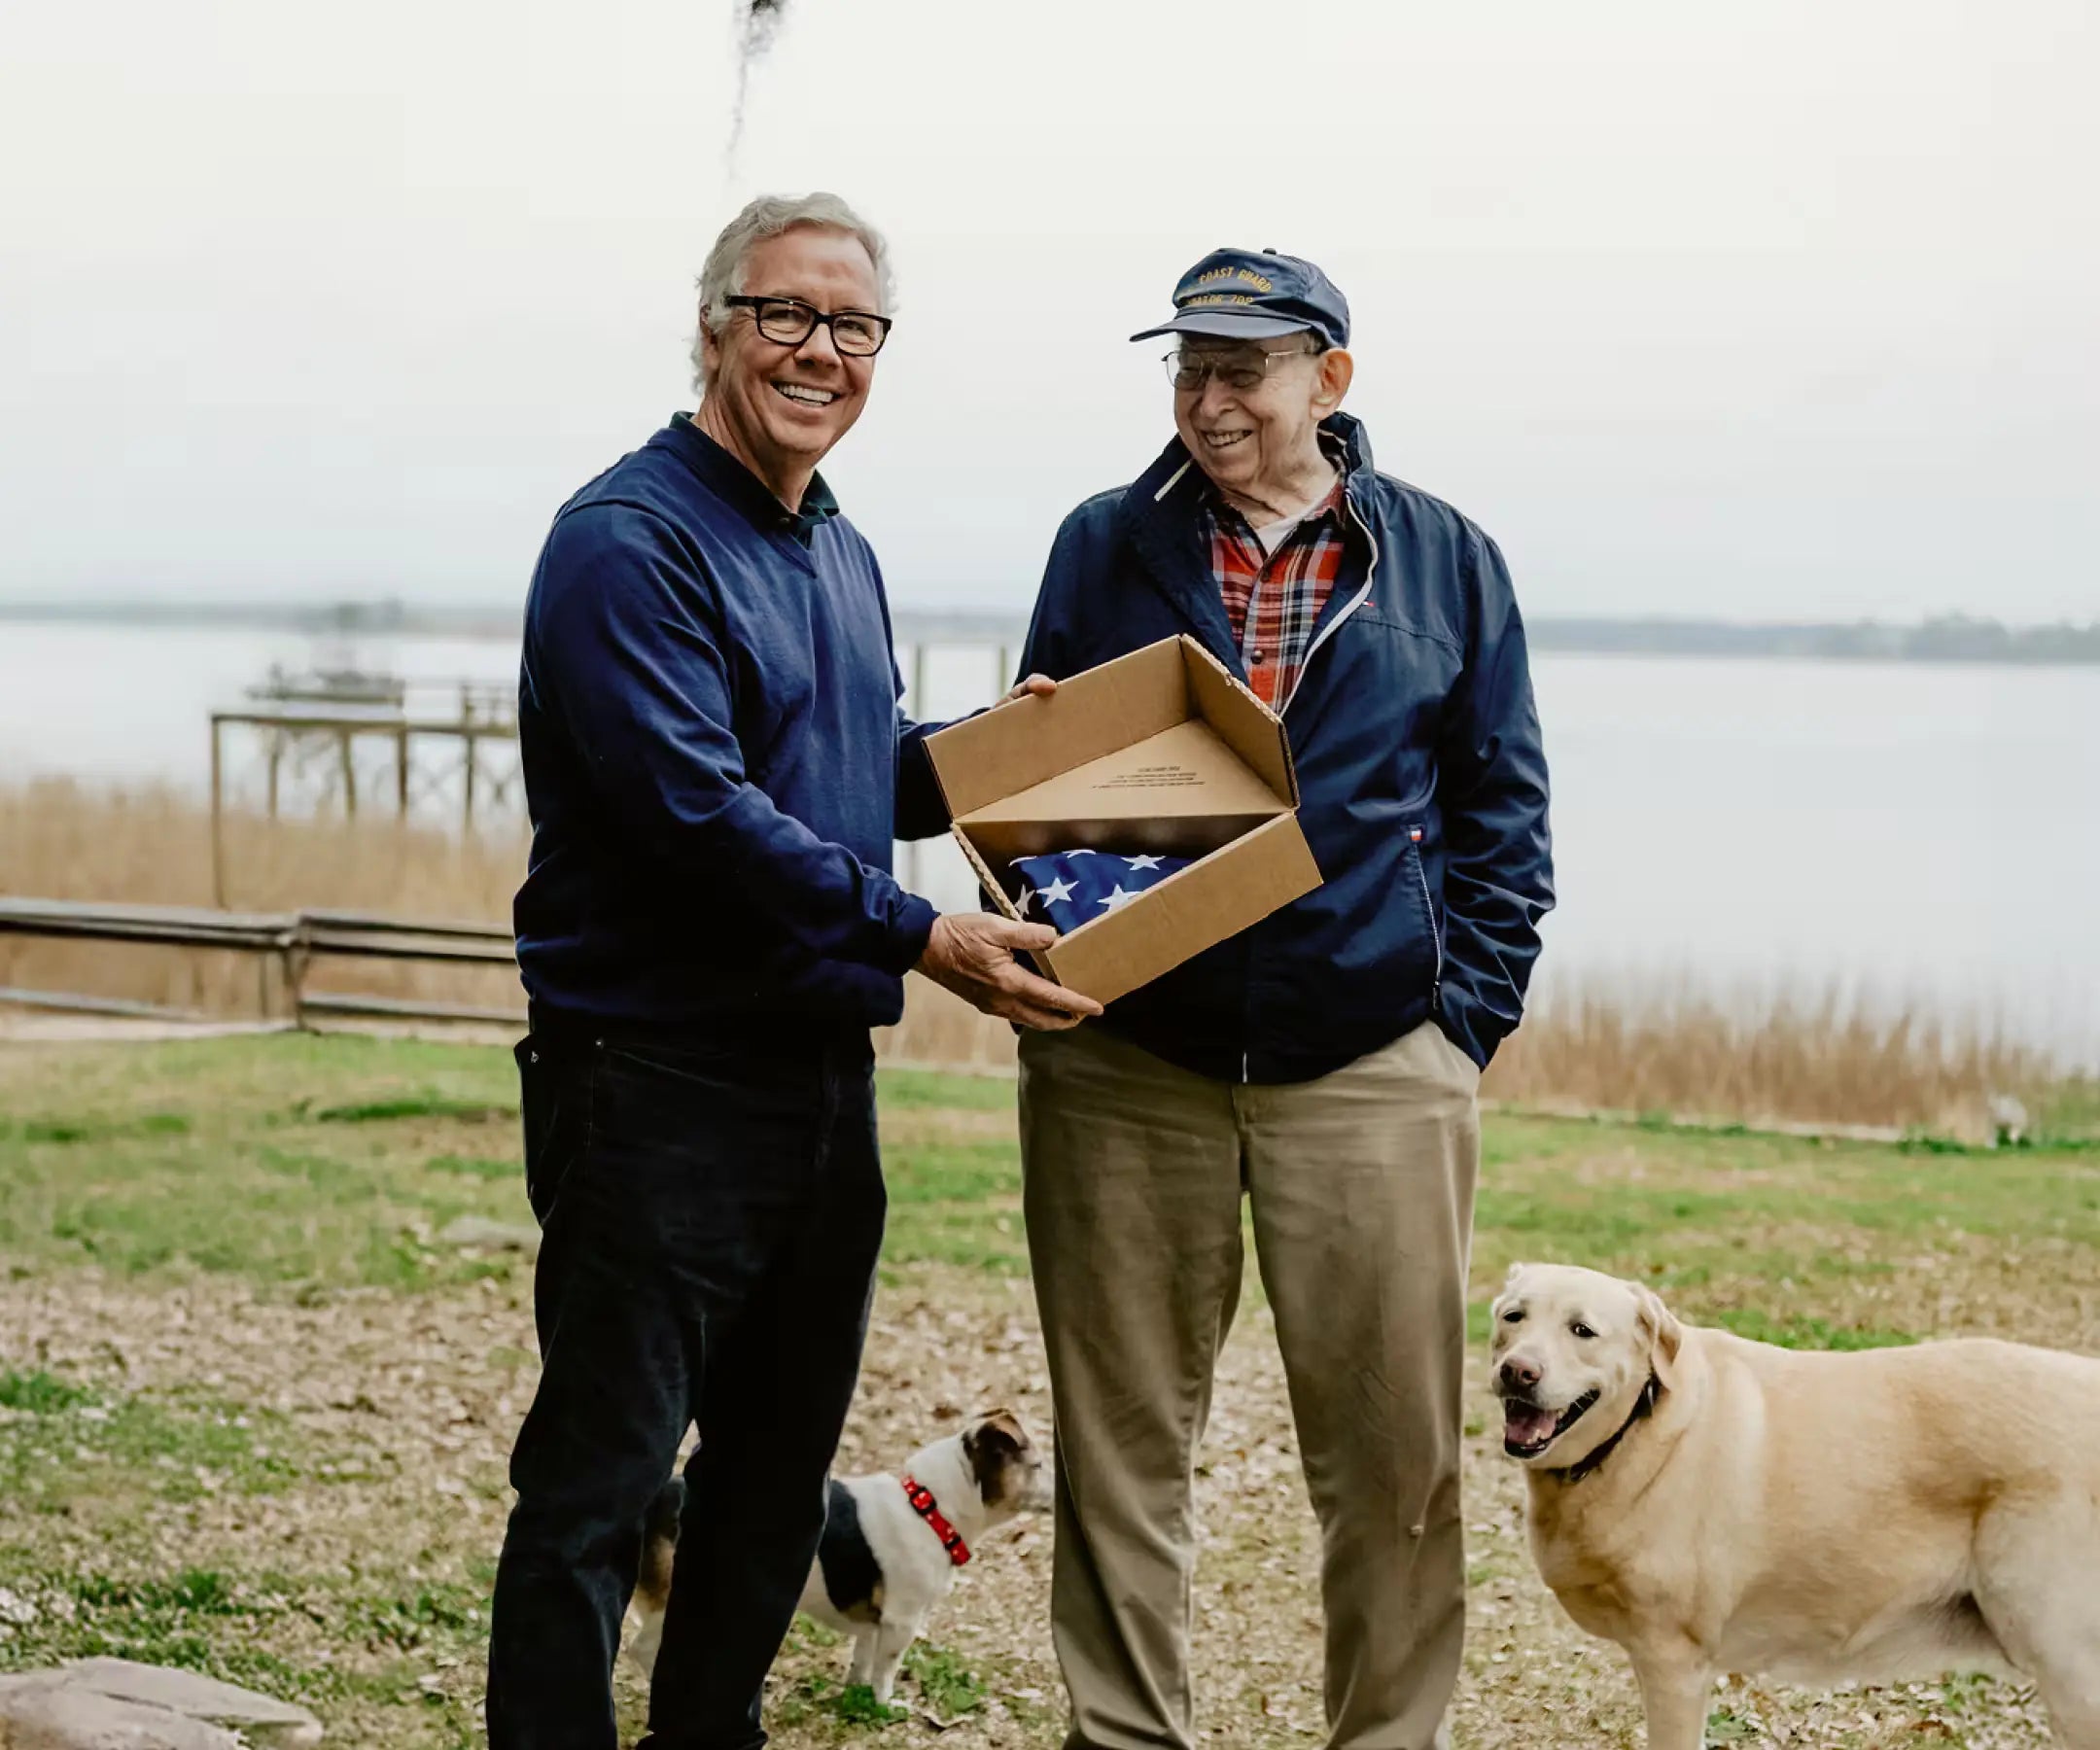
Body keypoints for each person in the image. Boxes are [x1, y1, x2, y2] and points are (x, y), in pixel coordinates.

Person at [485, 191, 1098, 1750]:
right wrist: (924, 935)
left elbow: (848, 769)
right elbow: (696, 811)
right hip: (651, 1082)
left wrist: (994, 754)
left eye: (855, 325)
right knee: (600, 1487)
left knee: (767, 1485)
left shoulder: (837, 545)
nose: (821, 350)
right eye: (786, 314)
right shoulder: (626, 543)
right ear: (714, 329)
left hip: (821, 1084)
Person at [1014, 247, 1554, 1750]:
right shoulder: (1103, 543)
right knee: (1122, 1455)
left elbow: (1503, 810)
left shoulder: (1444, 558)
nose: (1210, 399)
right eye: (1189, 367)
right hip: (1129, 1064)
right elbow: (1045, 787)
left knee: (1394, 1471)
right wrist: (1052, 947)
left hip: (1372, 1065)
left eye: (1242, 369)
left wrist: (1458, 1022)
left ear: (1331, 378)